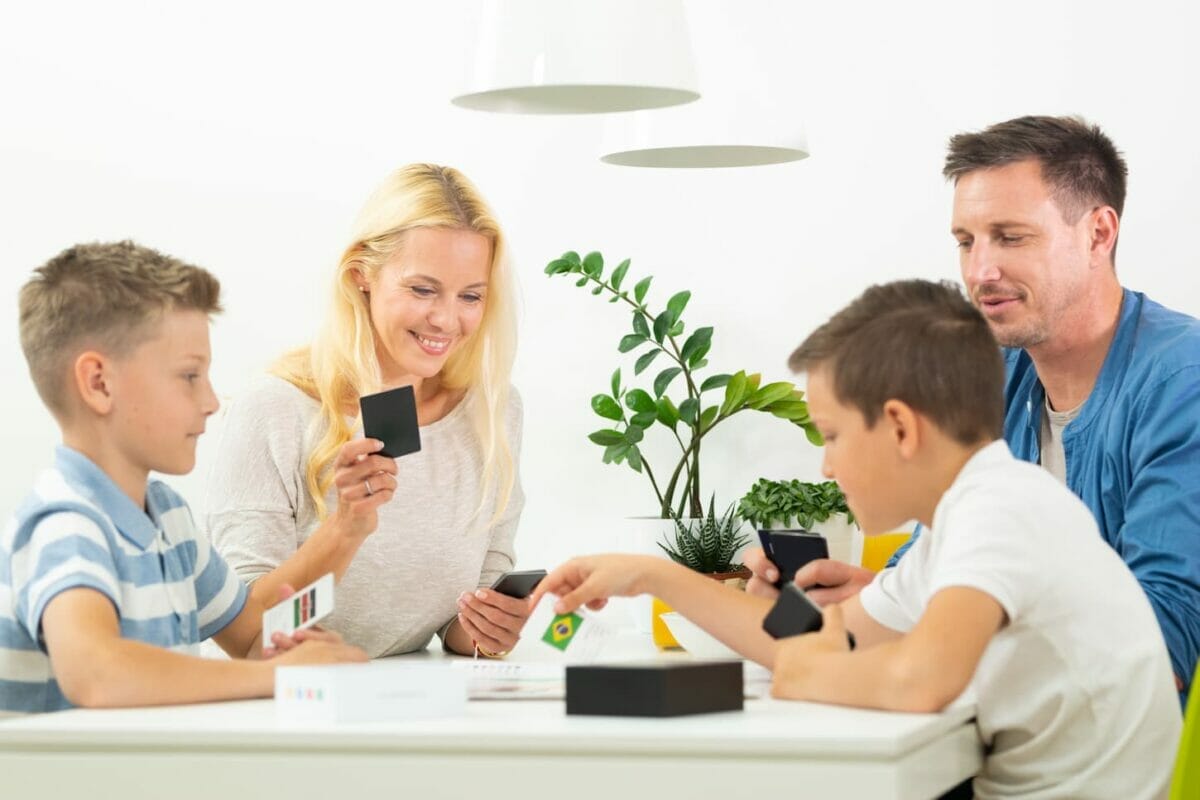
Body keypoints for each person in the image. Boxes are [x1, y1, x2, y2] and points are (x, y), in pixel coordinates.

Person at [536, 280, 1181, 799]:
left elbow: (917, 679)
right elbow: (819, 635)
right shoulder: (952, 528)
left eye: (832, 435)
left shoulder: (1003, 509)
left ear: (900, 427)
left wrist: (806, 675)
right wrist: (652, 576)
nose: (826, 467)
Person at [745, 115, 1200, 696]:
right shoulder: (990, 372)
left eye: (1010, 237)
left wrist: (938, 637)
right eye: (966, 241)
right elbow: (930, 559)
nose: (979, 271)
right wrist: (853, 599)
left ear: (1098, 234)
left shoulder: (1181, 380)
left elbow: (1165, 644)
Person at [1, 241, 366, 714]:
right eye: (190, 376)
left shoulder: (168, 519)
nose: (213, 400)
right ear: (99, 383)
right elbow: (96, 673)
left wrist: (349, 527)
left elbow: (251, 633)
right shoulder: (66, 525)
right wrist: (271, 677)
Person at [206, 164, 531, 659]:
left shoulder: (493, 412)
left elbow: (460, 621)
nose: (447, 319)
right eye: (423, 289)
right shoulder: (274, 411)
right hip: (288, 709)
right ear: (361, 275)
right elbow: (249, 640)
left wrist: (490, 627)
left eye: (470, 296)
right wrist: (344, 531)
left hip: (420, 710)